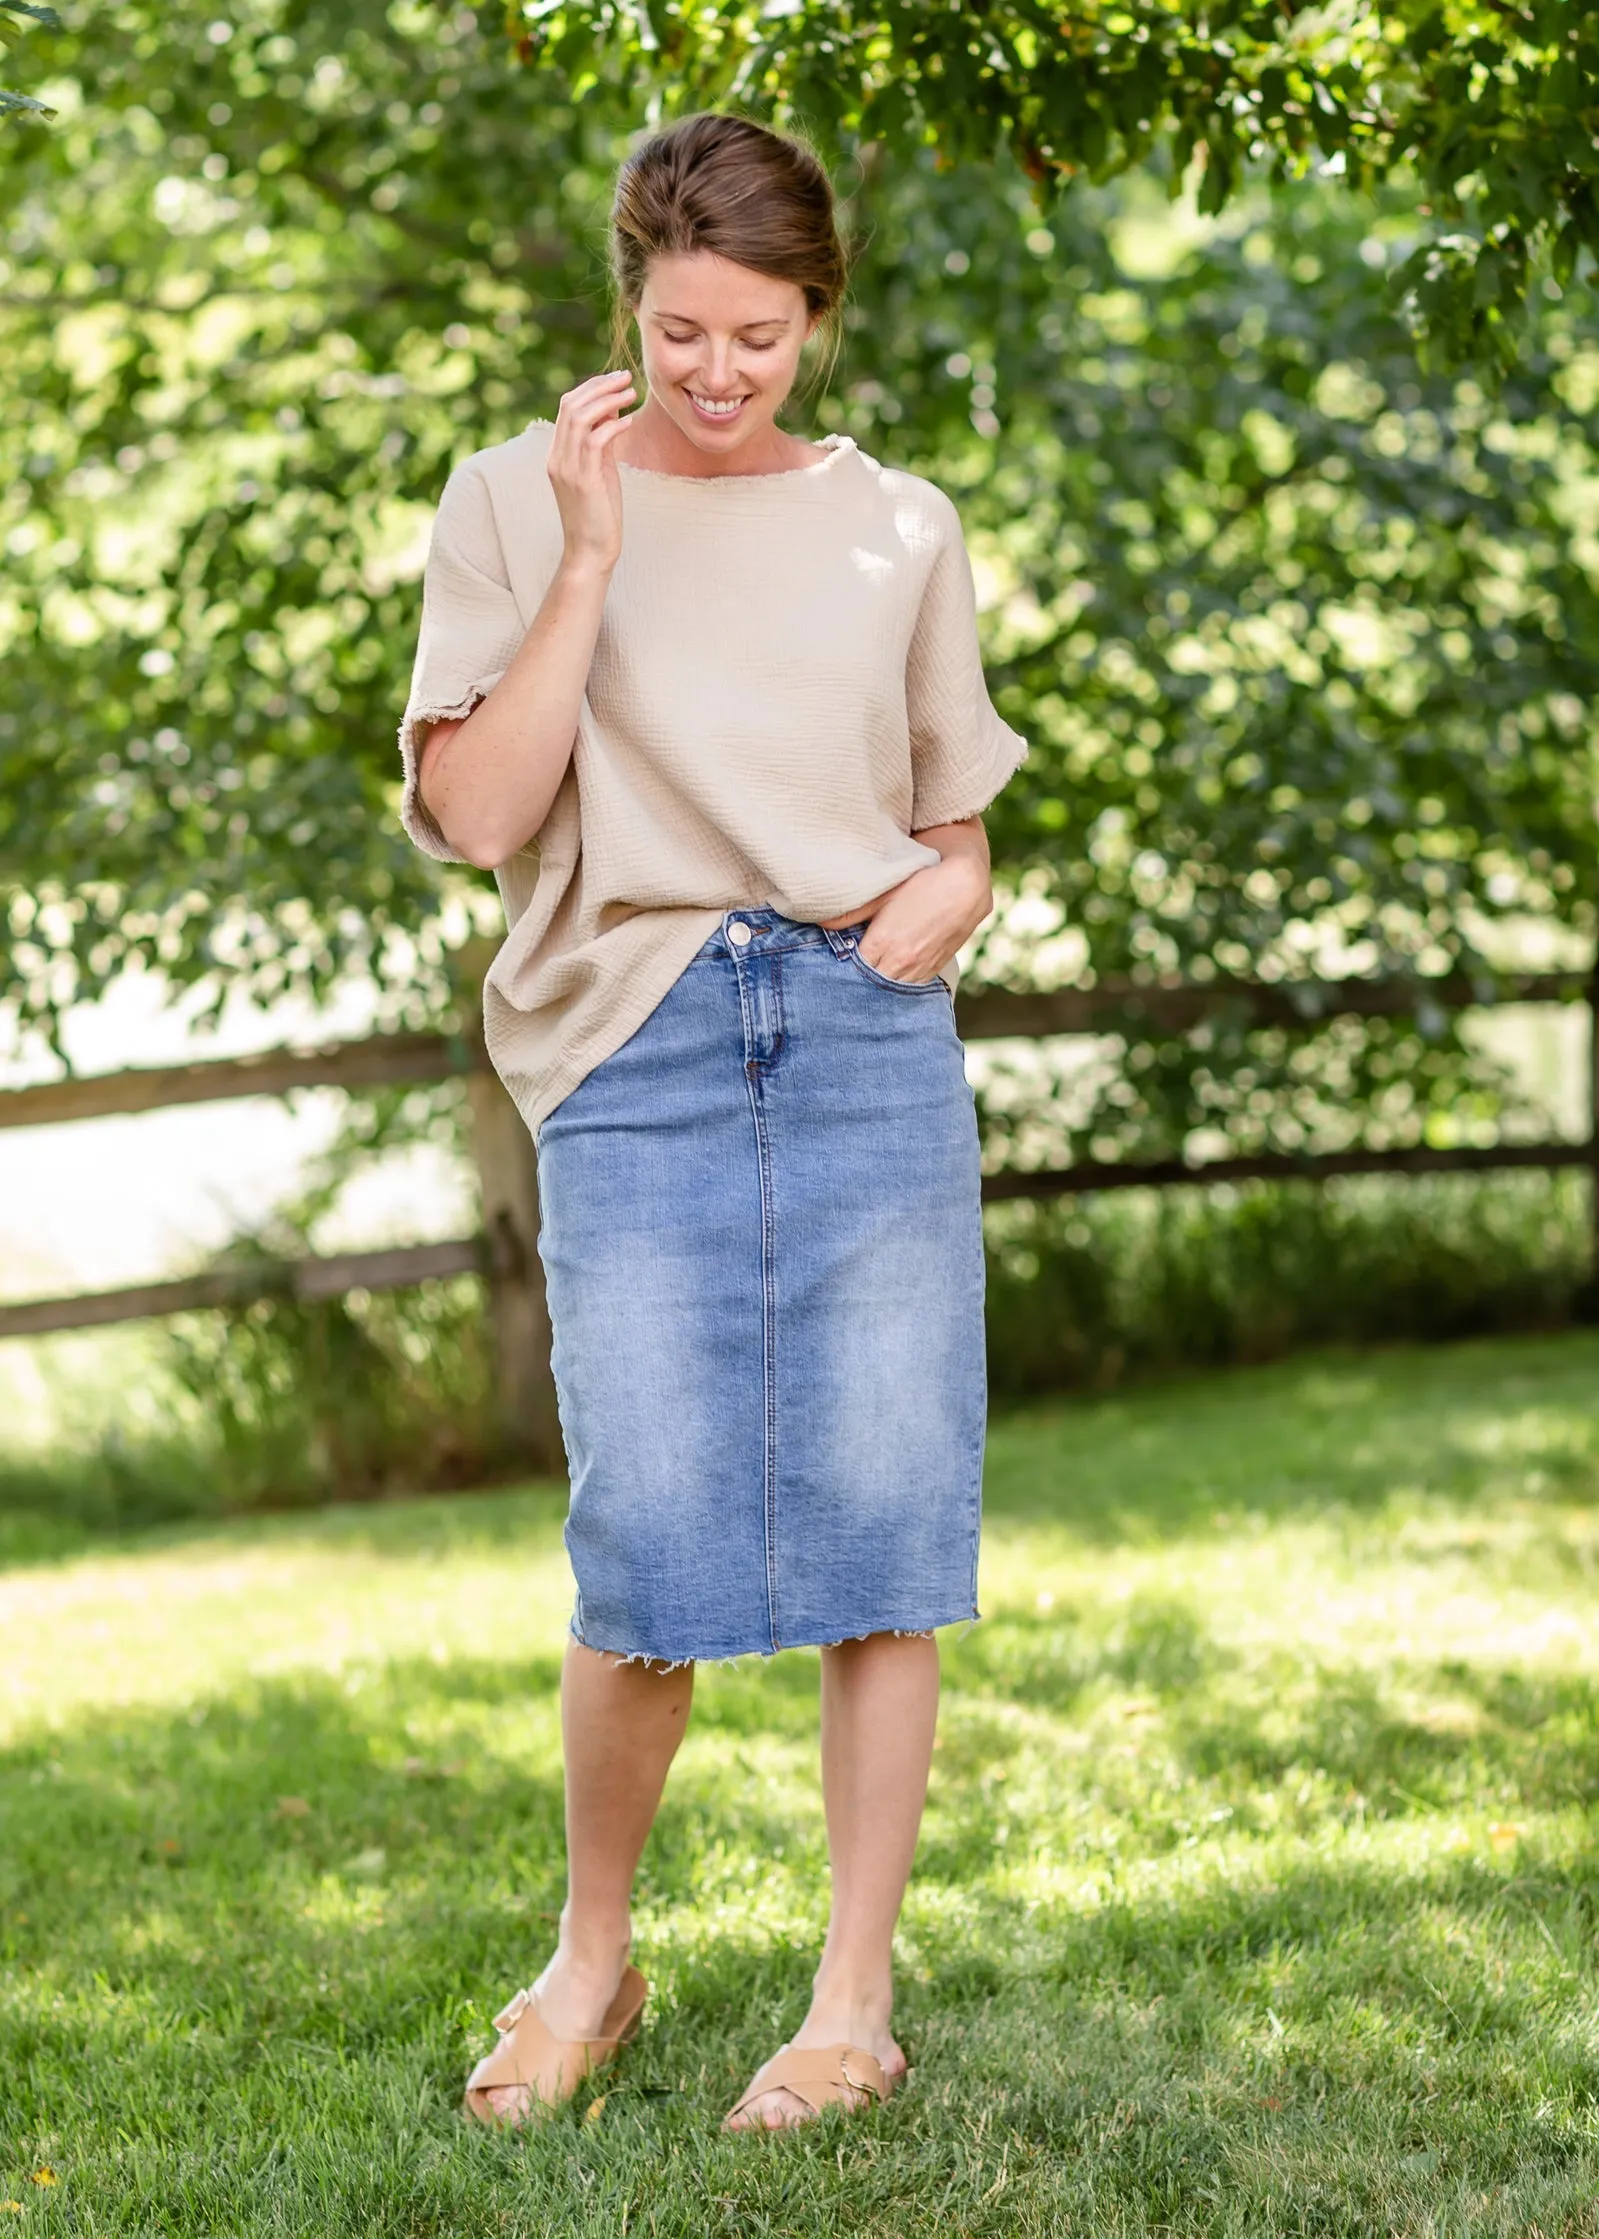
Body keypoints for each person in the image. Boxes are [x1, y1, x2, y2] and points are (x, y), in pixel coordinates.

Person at [397, 110, 1028, 2132]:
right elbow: (485, 819)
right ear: (629, 305)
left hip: (857, 1027)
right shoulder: (510, 498)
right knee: (645, 1549)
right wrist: (591, 559)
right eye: (682, 331)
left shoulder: (894, 523)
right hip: (633, 1040)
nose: (720, 374)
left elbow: (952, 815)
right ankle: (592, 1962)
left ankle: (852, 2005)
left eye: (760, 335)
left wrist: (956, 889)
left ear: (813, 317)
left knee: (884, 1534)